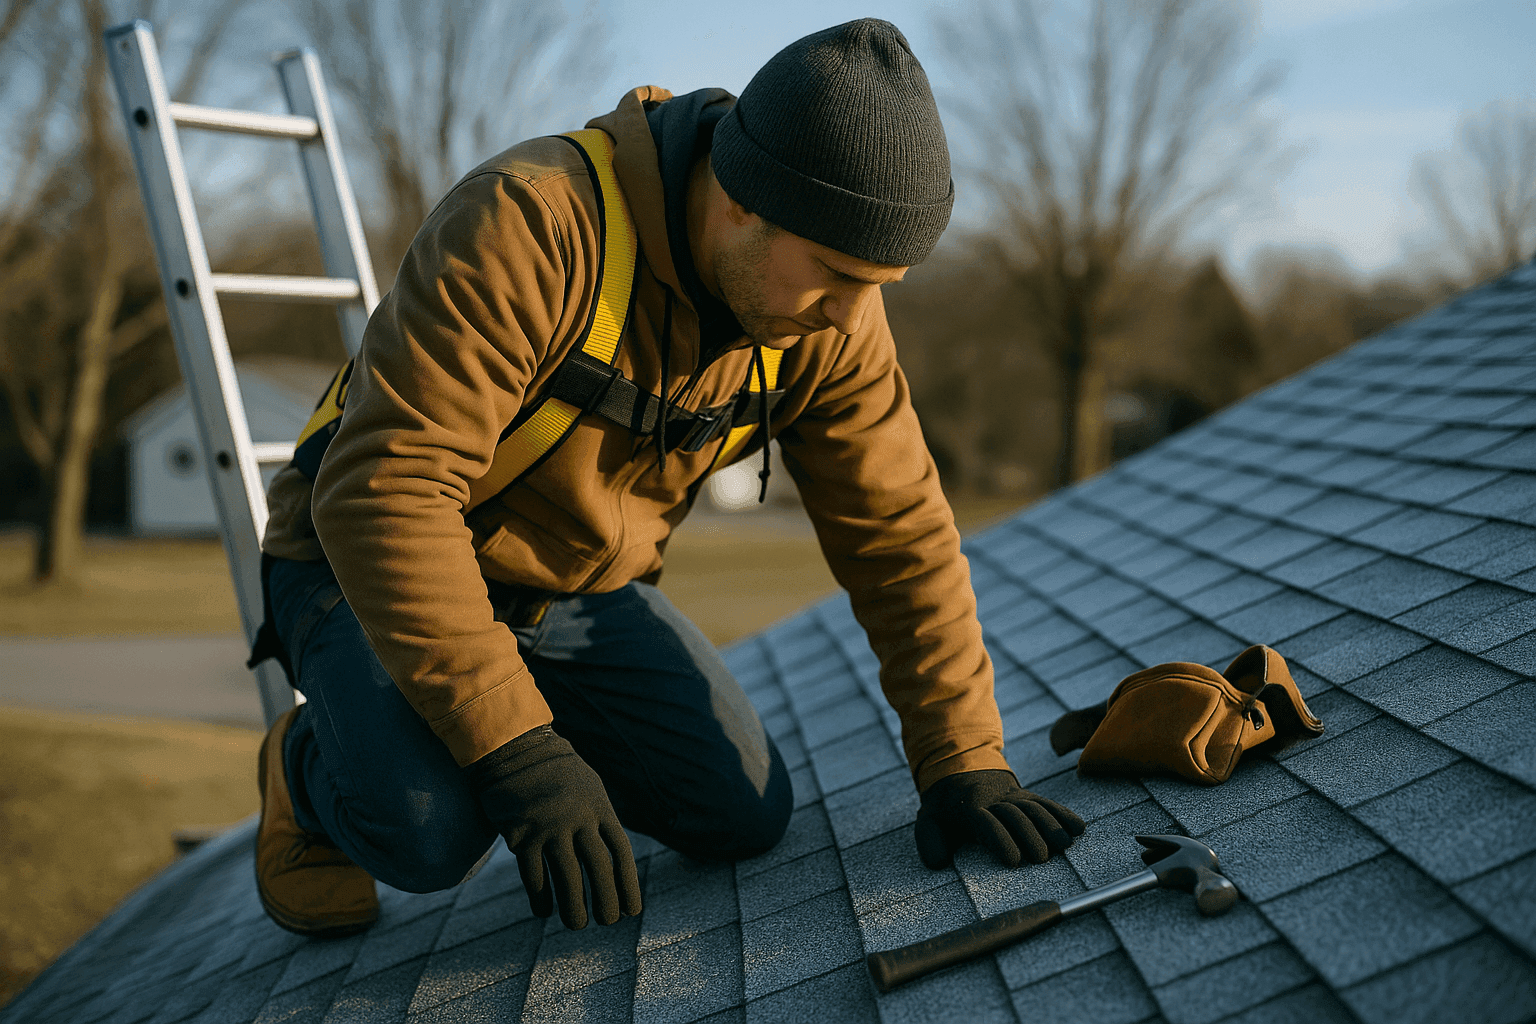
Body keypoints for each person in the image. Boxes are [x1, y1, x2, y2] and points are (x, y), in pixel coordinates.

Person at [252, 18, 1084, 939]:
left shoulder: (831, 323)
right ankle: (301, 767)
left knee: (740, 814)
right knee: (428, 832)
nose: (852, 319)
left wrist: (963, 758)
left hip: (568, 590)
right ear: (737, 200)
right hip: (358, 562)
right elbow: (388, 491)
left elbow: (902, 535)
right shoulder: (532, 224)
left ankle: (496, 703)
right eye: (838, 276)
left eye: (880, 284)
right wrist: (524, 755)